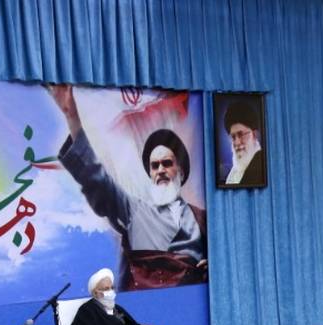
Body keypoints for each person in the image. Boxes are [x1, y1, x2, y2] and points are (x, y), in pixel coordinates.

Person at [49, 84, 207, 290]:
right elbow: (96, 179)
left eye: (167, 163)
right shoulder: (135, 212)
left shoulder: (202, 220)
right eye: (154, 166)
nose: (160, 170)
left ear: (182, 172)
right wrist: (72, 117)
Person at [222, 99, 266, 186]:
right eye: (233, 137)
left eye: (241, 134)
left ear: (254, 134)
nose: (237, 142)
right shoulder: (234, 172)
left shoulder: (263, 163)